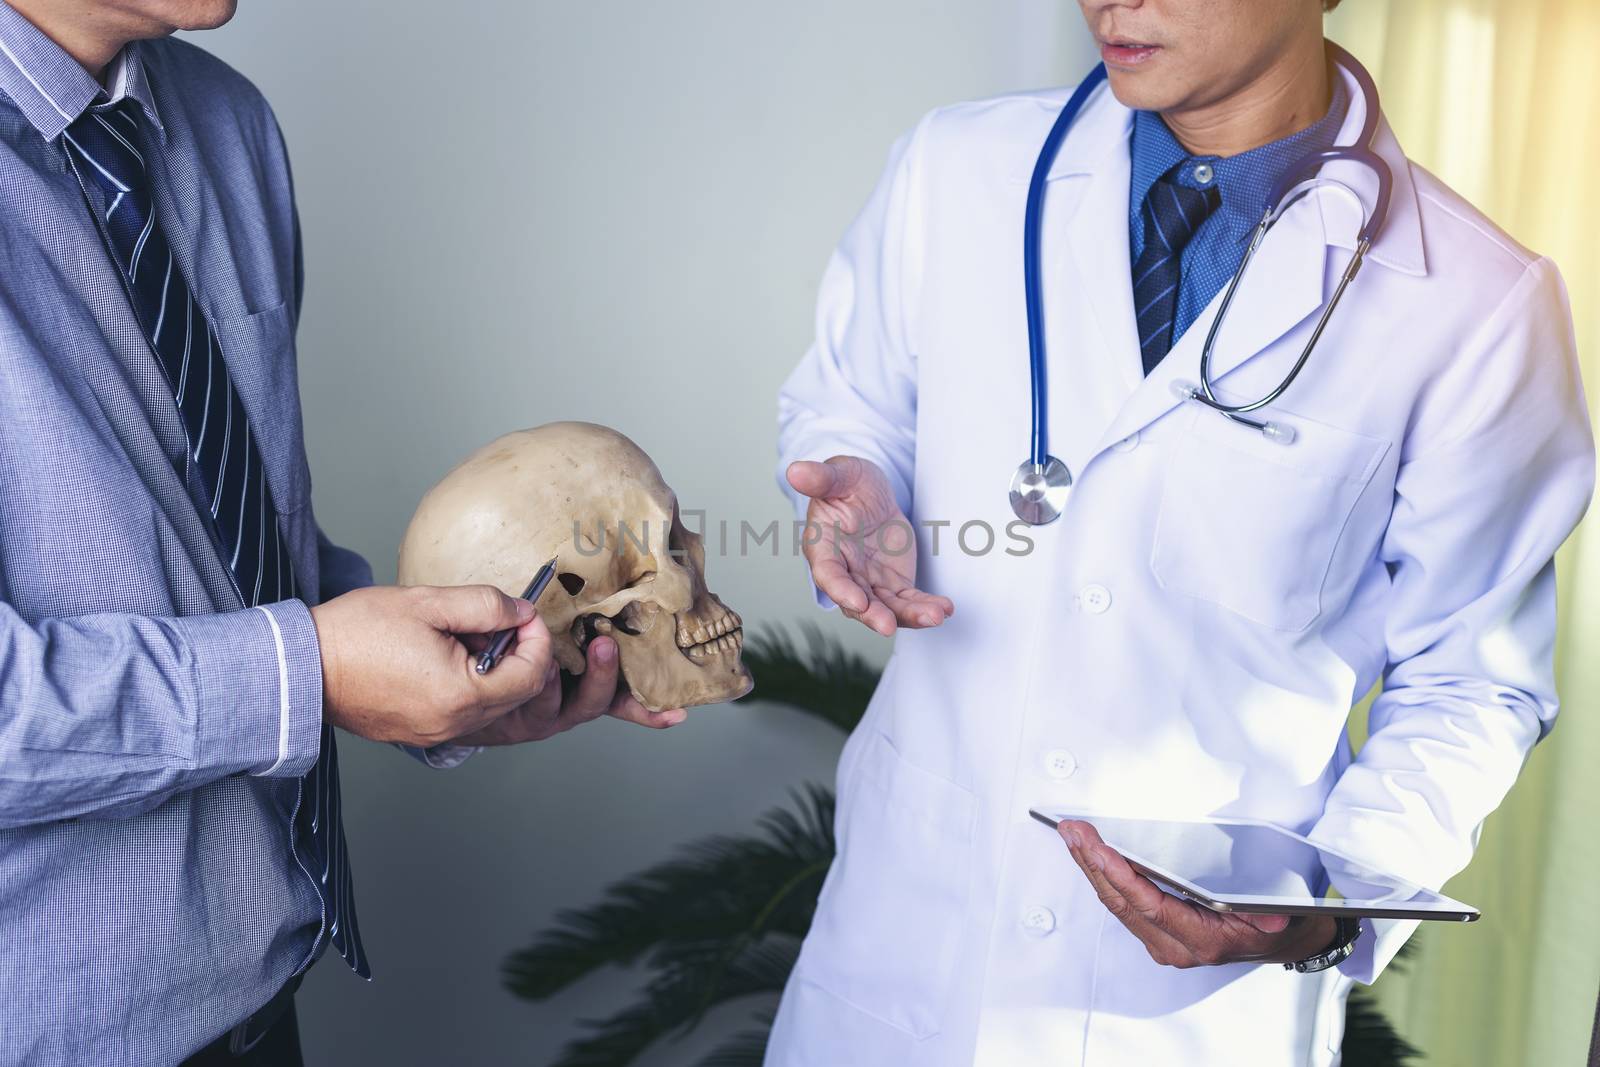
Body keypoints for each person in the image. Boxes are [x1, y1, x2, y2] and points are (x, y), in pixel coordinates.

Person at [770, 0, 1594, 1064]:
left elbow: (1473, 679)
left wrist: (1337, 892)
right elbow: (851, 402)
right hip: (897, 960)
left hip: (1187, 1016)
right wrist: (859, 479)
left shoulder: (1478, 305)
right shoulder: (957, 168)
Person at [0, 2, 685, 1063]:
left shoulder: (228, 127)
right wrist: (308, 674)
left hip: (264, 1006)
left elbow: (234, 542)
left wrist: (448, 685)